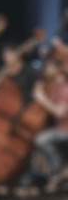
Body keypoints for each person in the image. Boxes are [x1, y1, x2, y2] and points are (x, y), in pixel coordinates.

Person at [26, 60, 68, 188]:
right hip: (59, 128)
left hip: (65, 130)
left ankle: (58, 169)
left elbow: (59, 113)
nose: (45, 70)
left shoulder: (65, 88)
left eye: (49, 67)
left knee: (40, 140)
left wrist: (41, 98)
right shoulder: (54, 87)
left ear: (58, 70)